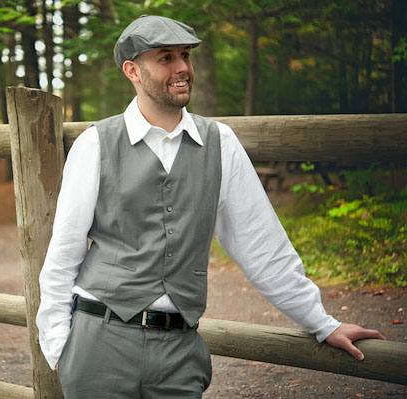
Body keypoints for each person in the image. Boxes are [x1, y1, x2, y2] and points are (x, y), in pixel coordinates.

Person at [36, 15, 385, 398]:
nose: (182, 67)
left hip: (180, 352)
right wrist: (59, 348)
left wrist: (322, 323)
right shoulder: (97, 144)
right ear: (133, 71)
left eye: (185, 55)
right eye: (165, 58)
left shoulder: (221, 143)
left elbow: (261, 244)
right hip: (99, 345)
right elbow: (64, 254)